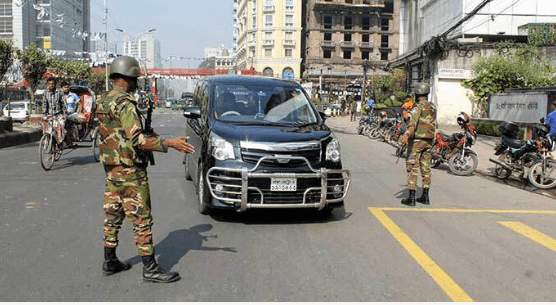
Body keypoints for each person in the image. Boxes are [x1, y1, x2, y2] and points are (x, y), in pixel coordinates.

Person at [95, 56, 195, 283]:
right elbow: (137, 141)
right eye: (134, 79)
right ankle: (150, 267)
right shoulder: (125, 104)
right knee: (141, 218)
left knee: (113, 213)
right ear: (127, 78)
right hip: (130, 169)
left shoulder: (104, 101)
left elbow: (116, 134)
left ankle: (109, 260)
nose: (136, 83)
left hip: (112, 168)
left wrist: (151, 135)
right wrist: (170, 143)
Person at [399, 82, 437, 206]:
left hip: (417, 140)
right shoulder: (432, 107)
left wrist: (406, 135)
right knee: (426, 167)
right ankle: (425, 196)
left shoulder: (417, 107)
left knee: (412, 167)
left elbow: (412, 124)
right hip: (429, 140)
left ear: (417, 94)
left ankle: (411, 198)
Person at [42, 77, 68, 143]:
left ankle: (60, 141)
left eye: (53, 84)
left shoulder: (60, 92)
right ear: (47, 84)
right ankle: (48, 141)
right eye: (50, 84)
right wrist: (44, 114)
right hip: (50, 115)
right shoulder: (45, 93)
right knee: (48, 128)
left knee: (61, 125)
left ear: (55, 84)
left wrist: (64, 114)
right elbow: (45, 104)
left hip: (59, 115)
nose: (51, 85)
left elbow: (63, 104)